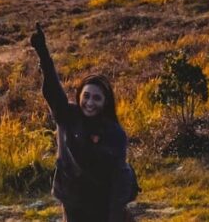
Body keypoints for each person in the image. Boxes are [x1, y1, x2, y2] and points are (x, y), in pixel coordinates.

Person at [30, 22, 139, 222]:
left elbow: (119, 178)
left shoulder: (114, 133)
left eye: (97, 98)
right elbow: (53, 91)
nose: (89, 103)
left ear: (106, 102)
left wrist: (114, 217)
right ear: (79, 95)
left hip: (104, 204)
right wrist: (43, 55)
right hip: (74, 201)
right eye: (86, 96)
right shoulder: (67, 116)